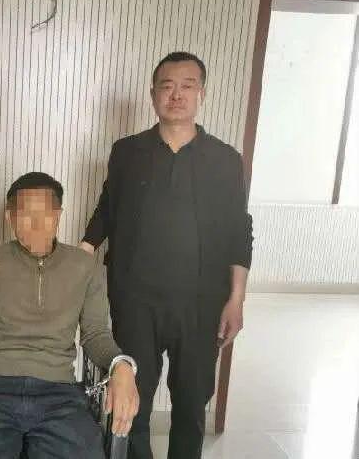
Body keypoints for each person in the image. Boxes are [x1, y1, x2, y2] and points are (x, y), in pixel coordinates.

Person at [80, 52, 253, 459]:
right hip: (135, 299)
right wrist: (82, 256)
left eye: (187, 86)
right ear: (153, 94)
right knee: (132, 397)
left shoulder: (225, 160)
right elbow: (108, 209)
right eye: (167, 86)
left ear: (201, 94)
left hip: (201, 303)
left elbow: (238, 230)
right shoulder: (127, 152)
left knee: (192, 402)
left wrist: (236, 298)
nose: (177, 95)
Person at [0, 172, 140, 459]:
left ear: (58, 215)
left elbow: (95, 335)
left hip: (60, 396)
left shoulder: (86, 269)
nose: (37, 225)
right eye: (26, 215)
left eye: (46, 214)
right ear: (10, 217)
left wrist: (121, 365)